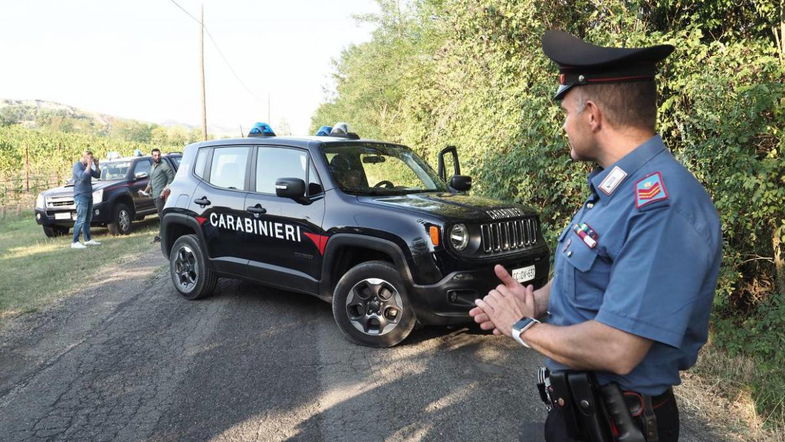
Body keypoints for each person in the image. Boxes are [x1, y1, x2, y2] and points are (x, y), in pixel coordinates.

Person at [470, 30, 722, 442]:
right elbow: (591, 274)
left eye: (566, 113)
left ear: (592, 115)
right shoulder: (617, 190)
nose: (565, 126)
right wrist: (534, 302)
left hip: (621, 424)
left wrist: (520, 326)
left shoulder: (661, 204)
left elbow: (618, 349)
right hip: (582, 413)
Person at [142, 148, 175, 243]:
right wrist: (145, 191)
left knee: (162, 216)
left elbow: (171, 178)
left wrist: (164, 191)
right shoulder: (153, 166)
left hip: (161, 196)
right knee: (160, 215)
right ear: (152, 156)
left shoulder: (164, 165)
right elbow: (151, 181)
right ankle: (163, 235)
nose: (157, 157)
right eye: (155, 155)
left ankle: (164, 236)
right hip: (154, 195)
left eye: (159, 155)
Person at [71, 150, 102, 249]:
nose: (91, 160)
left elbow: (97, 175)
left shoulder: (86, 167)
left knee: (88, 218)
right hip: (81, 195)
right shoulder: (77, 166)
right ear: (83, 157)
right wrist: (89, 165)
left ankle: (87, 239)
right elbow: (83, 177)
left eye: (91, 158)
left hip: (88, 195)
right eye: (89, 158)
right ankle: (75, 241)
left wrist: (96, 165)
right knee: (81, 218)